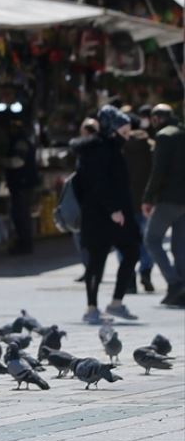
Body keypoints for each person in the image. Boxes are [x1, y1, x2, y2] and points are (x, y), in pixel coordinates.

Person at [71, 106, 141, 324]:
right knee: (96, 263)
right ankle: (92, 309)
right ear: (112, 129)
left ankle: (116, 303)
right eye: (124, 131)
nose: (127, 136)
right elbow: (98, 184)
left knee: (131, 251)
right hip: (101, 215)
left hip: (115, 215)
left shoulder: (111, 147)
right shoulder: (98, 150)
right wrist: (112, 210)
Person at [143, 103, 185, 307]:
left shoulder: (164, 137)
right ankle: (182, 287)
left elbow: (158, 171)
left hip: (169, 198)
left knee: (151, 239)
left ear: (157, 119)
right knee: (180, 246)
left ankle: (175, 283)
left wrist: (148, 198)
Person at [120, 110, 155, 292]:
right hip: (146, 203)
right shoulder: (151, 151)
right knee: (147, 241)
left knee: (124, 242)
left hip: (124, 203)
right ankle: (146, 271)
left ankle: (129, 278)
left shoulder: (121, 152)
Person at [2, 116, 39, 255]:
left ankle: (25, 244)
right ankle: (23, 243)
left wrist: (1, 162)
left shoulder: (21, 143)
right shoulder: (20, 141)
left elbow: (17, 162)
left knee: (22, 216)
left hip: (22, 185)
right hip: (20, 184)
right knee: (20, 215)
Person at [72, 117, 98, 284]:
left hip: (92, 201)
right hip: (84, 200)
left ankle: (92, 268)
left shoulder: (97, 151)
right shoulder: (82, 151)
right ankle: (90, 268)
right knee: (80, 235)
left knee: (86, 236)